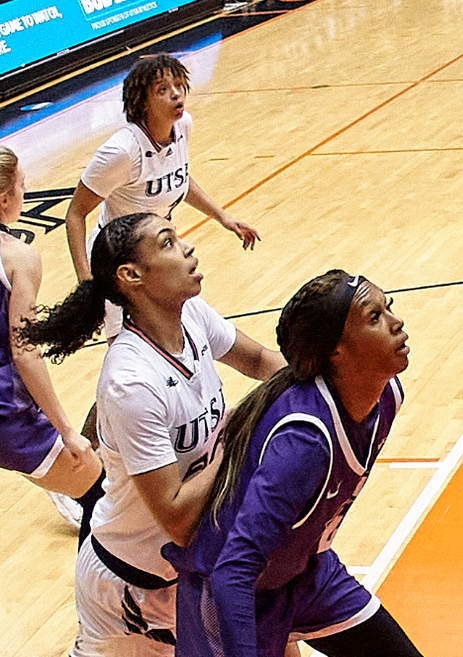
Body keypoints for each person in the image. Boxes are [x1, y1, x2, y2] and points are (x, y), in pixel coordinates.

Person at [23, 212, 283, 657]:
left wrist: (317, 390)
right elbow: (178, 517)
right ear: (131, 276)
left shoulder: (193, 317)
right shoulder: (130, 382)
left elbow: (260, 361)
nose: (187, 248)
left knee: (275, 644)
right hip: (130, 589)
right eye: (167, 243)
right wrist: (238, 433)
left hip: (186, 574)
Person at [170, 271, 420, 657]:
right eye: (375, 317)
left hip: (305, 574)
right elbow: (233, 571)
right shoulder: (305, 441)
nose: (395, 322)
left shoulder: (387, 397)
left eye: (389, 308)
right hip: (234, 601)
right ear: (336, 350)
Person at [64, 54, 262, 330]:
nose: (176, 94)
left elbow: (178, 178)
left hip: (158, 251)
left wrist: (223, 217)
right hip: (119, 263)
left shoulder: (182, 126)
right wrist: (86, 281)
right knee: (127, 341)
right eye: (162, 90)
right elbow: (75, 213)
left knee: (174, 328)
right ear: (142, 101)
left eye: (179, 85)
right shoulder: (121, 152)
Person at [0, 147, 104, 532]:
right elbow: (25, 353)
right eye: (23, 185)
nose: (27, 191)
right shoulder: (19, 257)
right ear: (5, 198)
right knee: (100, 498)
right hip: (5, 408)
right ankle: (101, 593)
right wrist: (67, 431)